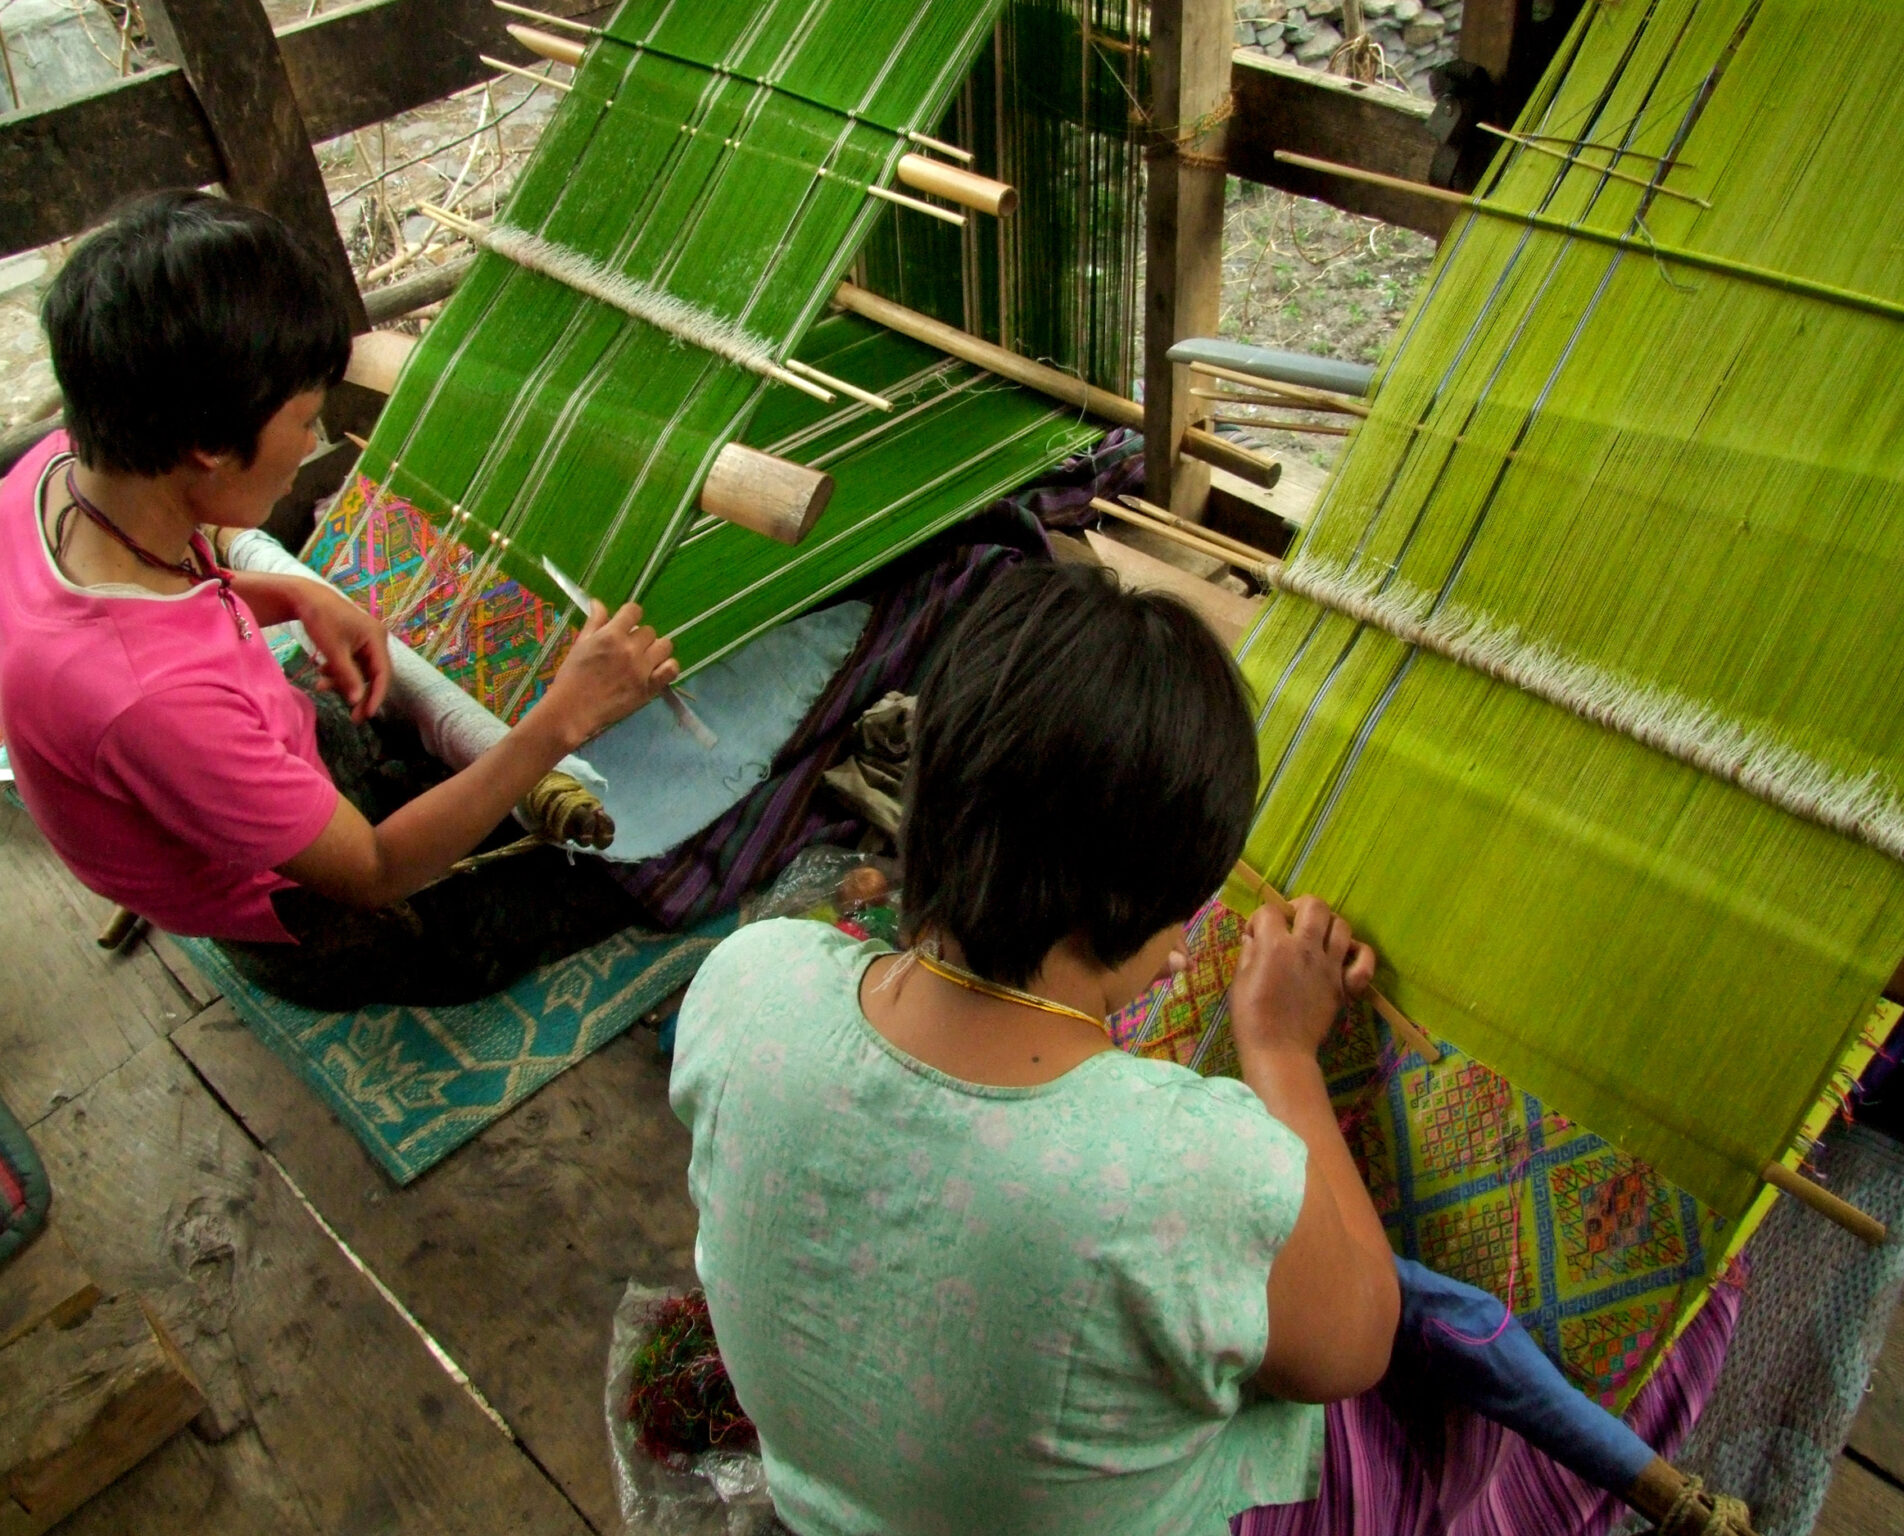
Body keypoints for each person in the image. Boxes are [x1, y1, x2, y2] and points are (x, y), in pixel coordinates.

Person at [668, 562, 1402, 1533]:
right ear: (1169, 914)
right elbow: (1357, 1344)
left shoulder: (746, 984)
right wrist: (1277, 1050)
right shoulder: (1190, 1174)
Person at [0, 190, 675, 1007]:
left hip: (264, 747)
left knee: (381, 741)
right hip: (311, 914)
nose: (315, 446)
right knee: (634, 872)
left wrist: (288, 596)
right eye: (307, 420)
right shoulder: (152, 704)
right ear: (209, 446)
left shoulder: (55, 472)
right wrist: (566, 716)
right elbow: (375, 871)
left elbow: (152, 604)